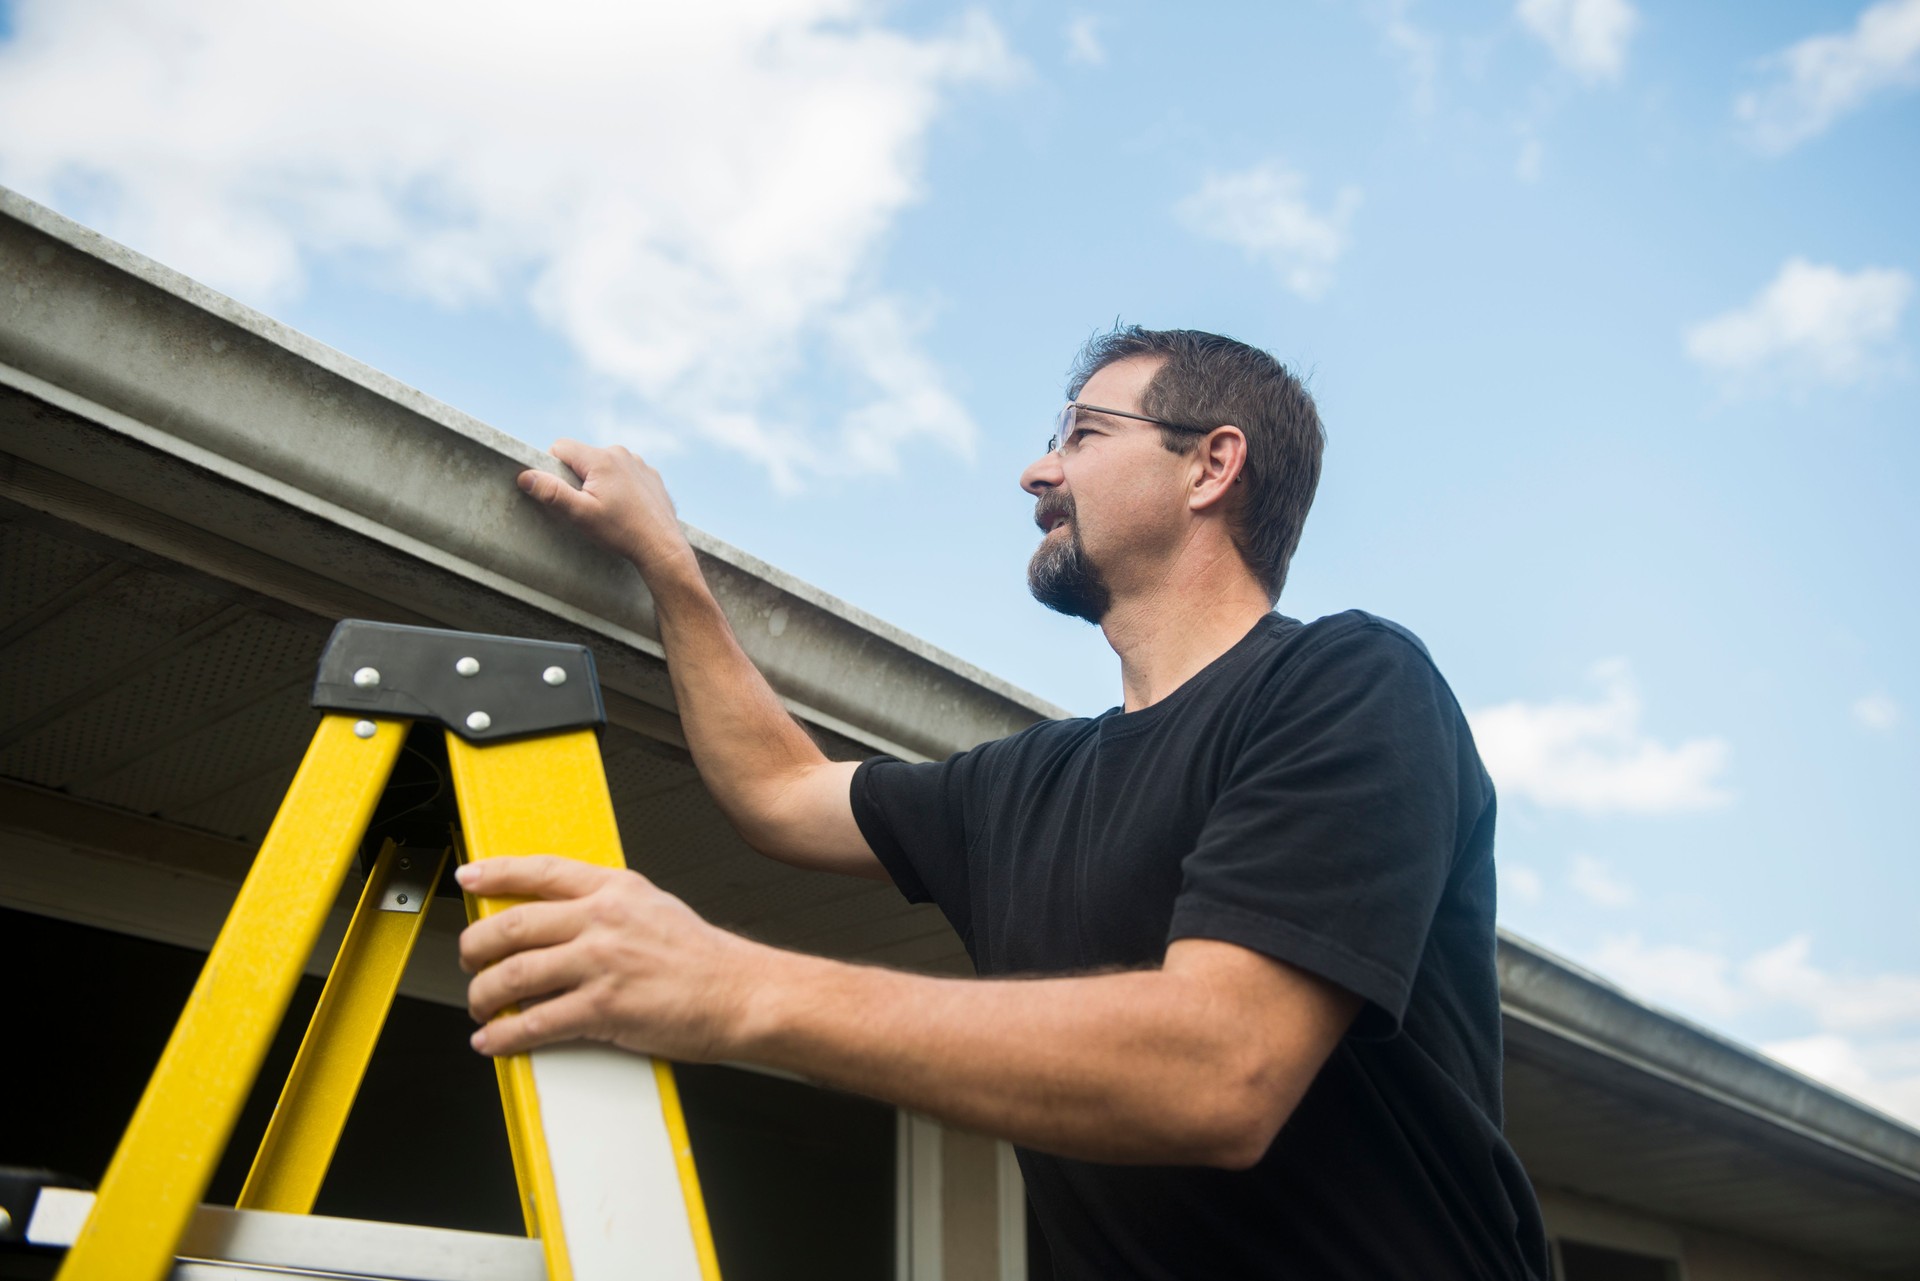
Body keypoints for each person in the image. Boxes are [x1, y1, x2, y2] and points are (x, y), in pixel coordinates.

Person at [455, 326, 1550, 1279]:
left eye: (1081, 433)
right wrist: (667, 566)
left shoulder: (1349, 684)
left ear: (1212, 464)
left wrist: (728, 987)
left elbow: (1225, 1065)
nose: (1037, 470)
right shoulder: (1024, 785)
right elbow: (781, 793)